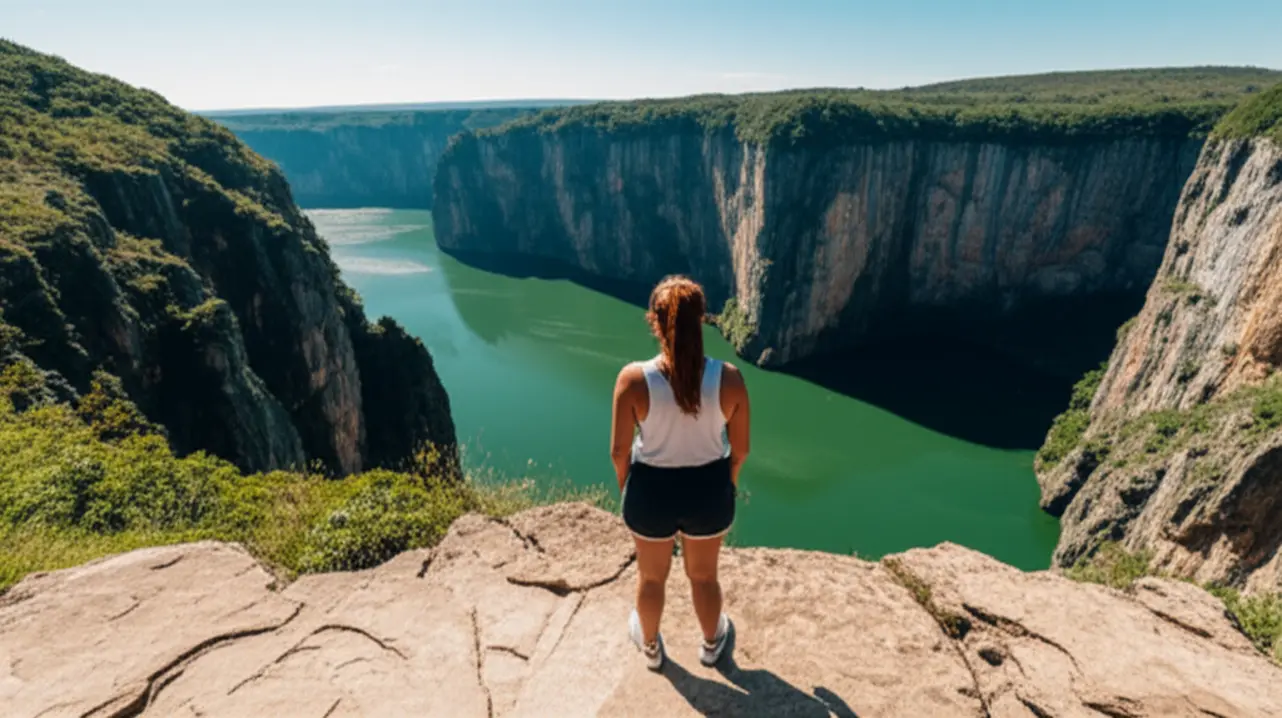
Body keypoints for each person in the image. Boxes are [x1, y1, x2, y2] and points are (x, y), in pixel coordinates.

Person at [609, 275, 751, 671]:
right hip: (708, 489)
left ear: (654, 321)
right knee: (704, 577)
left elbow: (619, 451)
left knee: (651, 579)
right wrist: (727, 484)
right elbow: (740, 450)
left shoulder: (634, 380)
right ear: (702, 320)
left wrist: (629, 488)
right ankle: (711, 644)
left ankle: (651, 649)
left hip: (650, 491)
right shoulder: (729, 379)